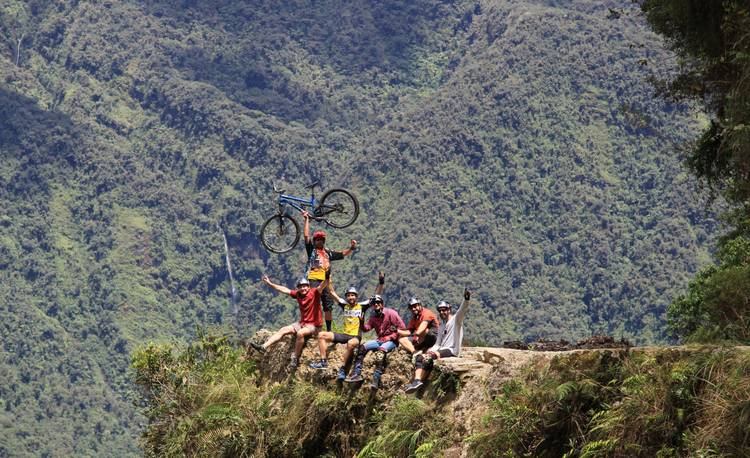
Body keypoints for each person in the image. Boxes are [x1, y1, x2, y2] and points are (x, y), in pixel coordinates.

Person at [308, 272, 386, 380]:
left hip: (355, 336)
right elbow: (332, 292)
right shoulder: (344, 305)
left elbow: (376, 295)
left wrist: (381, 282)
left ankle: (343, 370)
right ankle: (323, 361)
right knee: (321, 335)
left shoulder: (362, 306)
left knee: (351, 344)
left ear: (356, 297)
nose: (351, 297)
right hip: (344, 335)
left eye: (353, 295)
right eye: (348, 295)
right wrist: (327, 278)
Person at [249, 271, 330, 369]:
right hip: (303, 323)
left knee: (300, 333)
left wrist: (327, 275)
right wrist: (270, 284)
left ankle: (295, 358)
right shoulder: (298, 294)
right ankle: (263, 347)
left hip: (315, 326)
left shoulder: (315, 292)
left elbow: (323, 285)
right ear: (298, 288)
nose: (303, 288)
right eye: (300, 286)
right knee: (283, 329)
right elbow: (284, 290)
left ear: (308, 287)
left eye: (305, 286)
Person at [404, 288, 471, 393]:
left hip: (452, 350)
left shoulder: (456, 320)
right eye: (440, 310)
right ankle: (417, 381)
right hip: (441, 349)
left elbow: (462, 311)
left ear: (449, 309)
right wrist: (430, 350)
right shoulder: (441, 325)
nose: (442, 312)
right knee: (421, 357)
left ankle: (418, 381)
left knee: (428, 357)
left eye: (444, 309)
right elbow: (438, 343)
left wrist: (466, 299)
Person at [301, 210, 357, 332]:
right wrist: (306, 219)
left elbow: (341, 254)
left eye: (321, 239)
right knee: (313, 302)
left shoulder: (327, 253)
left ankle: (329, 330)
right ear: (315, 241)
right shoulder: (312, 250)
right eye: (317, 240)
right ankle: (312, 325)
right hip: (314, 279)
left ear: (324, 241)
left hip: (326, 281)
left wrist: (351, 248)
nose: (319, 241)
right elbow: (306, 236)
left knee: (328, 305)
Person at [344, 295, 405, 390]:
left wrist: (390, 337)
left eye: (378, 303)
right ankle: (356, 374)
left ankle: (376, 379)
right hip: (380, 340)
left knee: (380, 353)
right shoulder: (373, 317)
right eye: (374, 304)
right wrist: (361, 322)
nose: (376, 305)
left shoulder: (391, 313)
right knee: (362, 348)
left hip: (392, 341)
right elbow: (366, 329)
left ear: (382, 304)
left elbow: (402, 328)